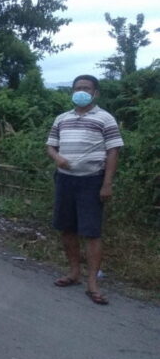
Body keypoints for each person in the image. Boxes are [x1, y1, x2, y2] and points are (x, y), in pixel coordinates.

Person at [46, 74, 123, 305]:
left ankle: (92, 282)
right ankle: (73, 273)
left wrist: (107, 183)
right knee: (67, 228)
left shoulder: (105, 118)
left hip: (92, 181)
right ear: (72, 92)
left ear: (95, 92)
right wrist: (57, 157)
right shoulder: (62, 118)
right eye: (78, 88)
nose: (81, 91)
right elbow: (50, 145)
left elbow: (113, 151)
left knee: (91, 232)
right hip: (65, 180)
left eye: (86, 88)